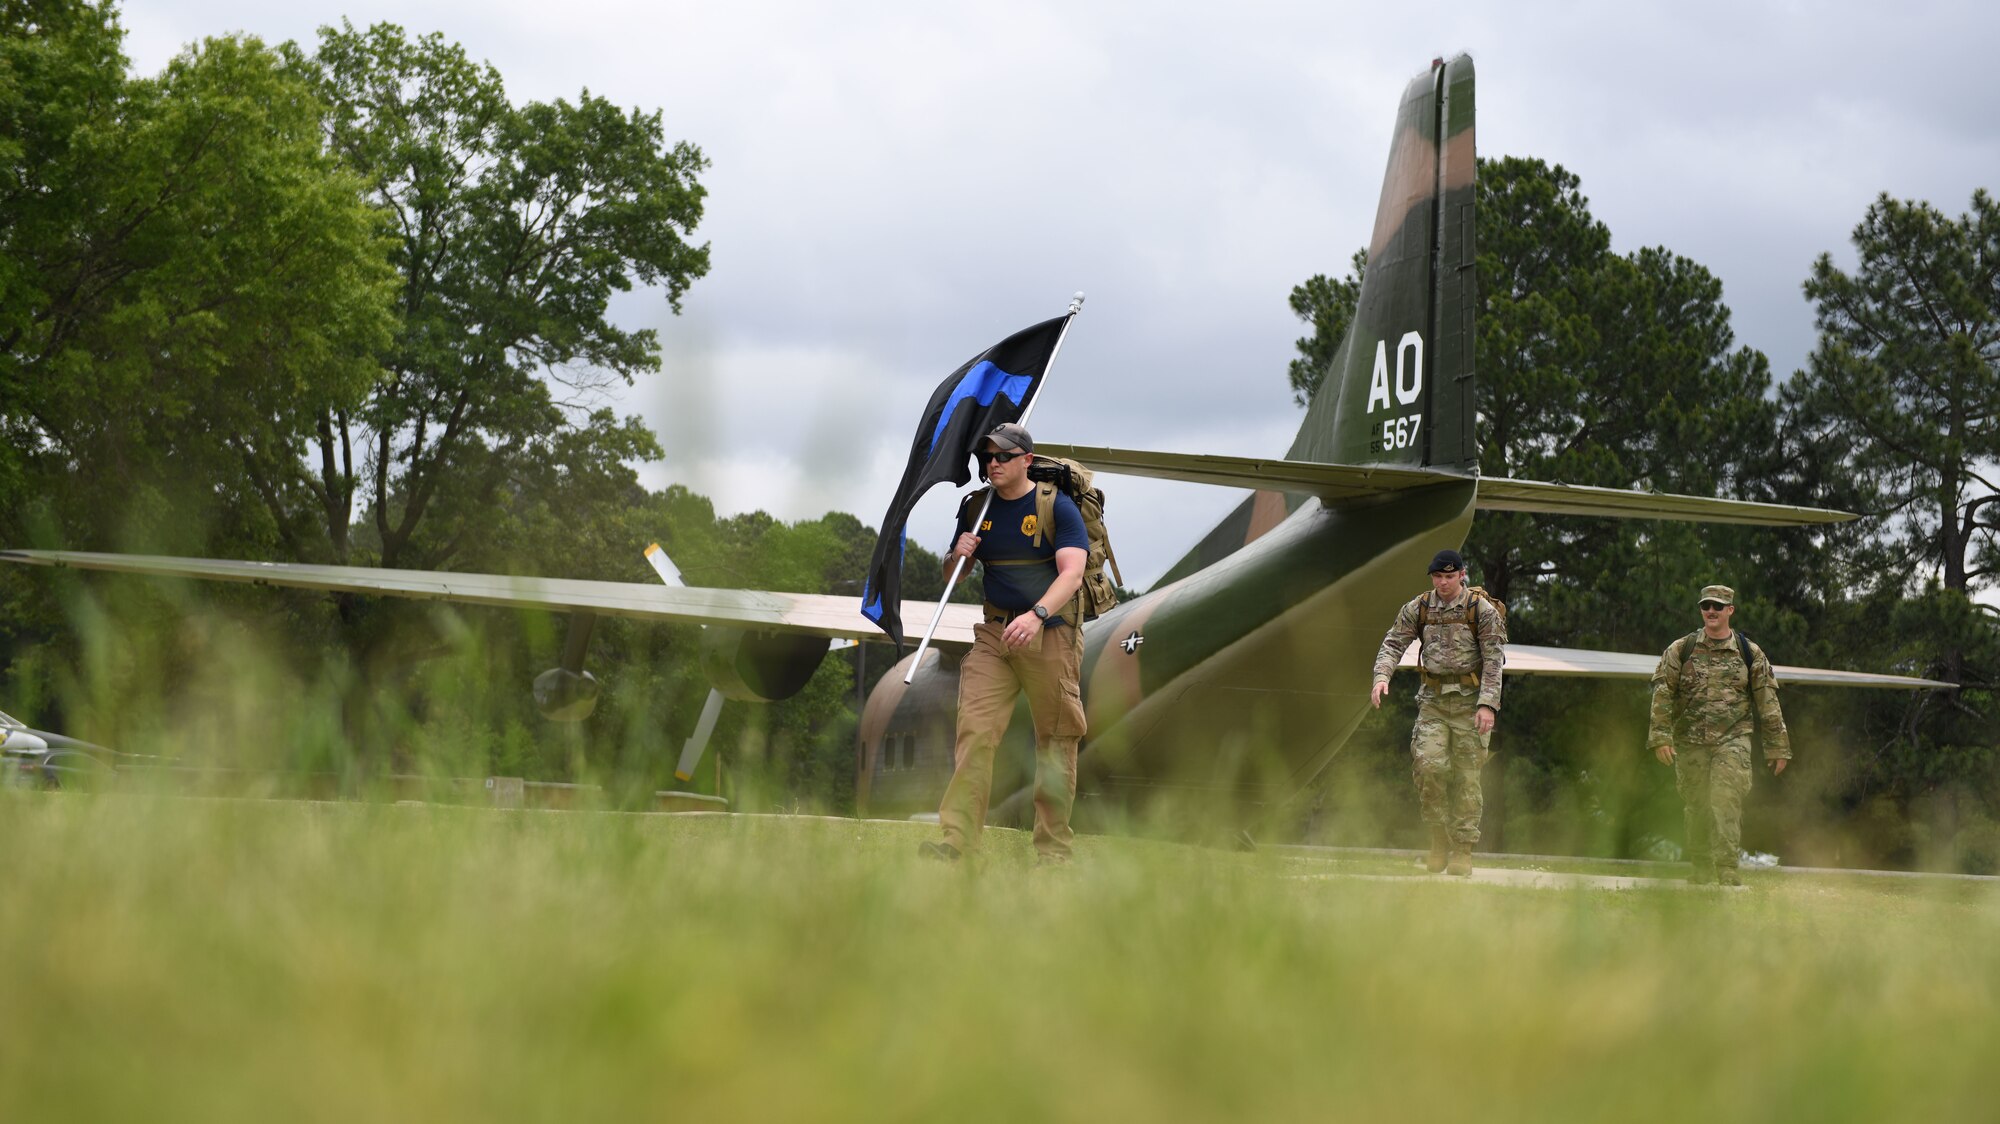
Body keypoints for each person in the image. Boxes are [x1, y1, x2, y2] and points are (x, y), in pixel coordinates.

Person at [919, 422, 1089, 865]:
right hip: (994, 635)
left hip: (1050, 634)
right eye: (987, 456)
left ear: (1026, 461)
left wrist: (1037, 616)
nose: (992, 463)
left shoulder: (1058, 507)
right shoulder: (976, 507)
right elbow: (952, 576)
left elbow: (1072, 574)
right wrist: (958, 553)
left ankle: (1053, 851)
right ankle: (957, 842)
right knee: (975, 731)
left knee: (1055, 741)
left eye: (1003, 456)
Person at [1369, 549, 1505, 876]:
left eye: (1449, 576)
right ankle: (1438, 837)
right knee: (1428, 767)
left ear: (1462, 575)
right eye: (1438, 577)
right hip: (1432, 701)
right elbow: (1392, 643)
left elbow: (1493, 661)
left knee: (1467, 777)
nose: (1443, 583)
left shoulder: (1480, 611)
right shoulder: (1420, 608)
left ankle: (1463, 850)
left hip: (1470, 704)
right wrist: (1382, 676)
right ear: (1432, 577)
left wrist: (1488, 705)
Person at [1647, 585, 1791, 886]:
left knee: (1726, 798)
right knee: (1697, 804)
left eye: (1717, 606)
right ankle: (1701, 866)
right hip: (1690, 740)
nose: (1711, 611)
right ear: (1701, 610)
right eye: (1706, 606)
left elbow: (1767, 701)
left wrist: (1777, 746)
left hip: (1733, 739)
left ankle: (1727, 867)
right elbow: (1662, 694)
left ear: (1730, 610)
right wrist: (1661, 737)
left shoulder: (1748, 652)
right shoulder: (1680, 649)